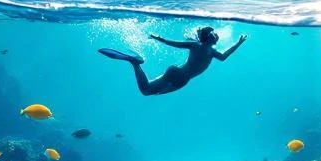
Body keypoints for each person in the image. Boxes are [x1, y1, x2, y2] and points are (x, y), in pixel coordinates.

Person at [99, 27, 247, 96]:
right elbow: (225, 56)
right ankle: (135, 63)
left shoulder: (196, 46)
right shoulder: (212, 52)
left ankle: (135, 63)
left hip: (176, 72)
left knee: (147, 89)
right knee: (146, 91)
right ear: (209, 37)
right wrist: (238, 43)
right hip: (181, 78)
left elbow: (174, 44)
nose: (216, 34)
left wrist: (160, 39)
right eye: (213, 33)